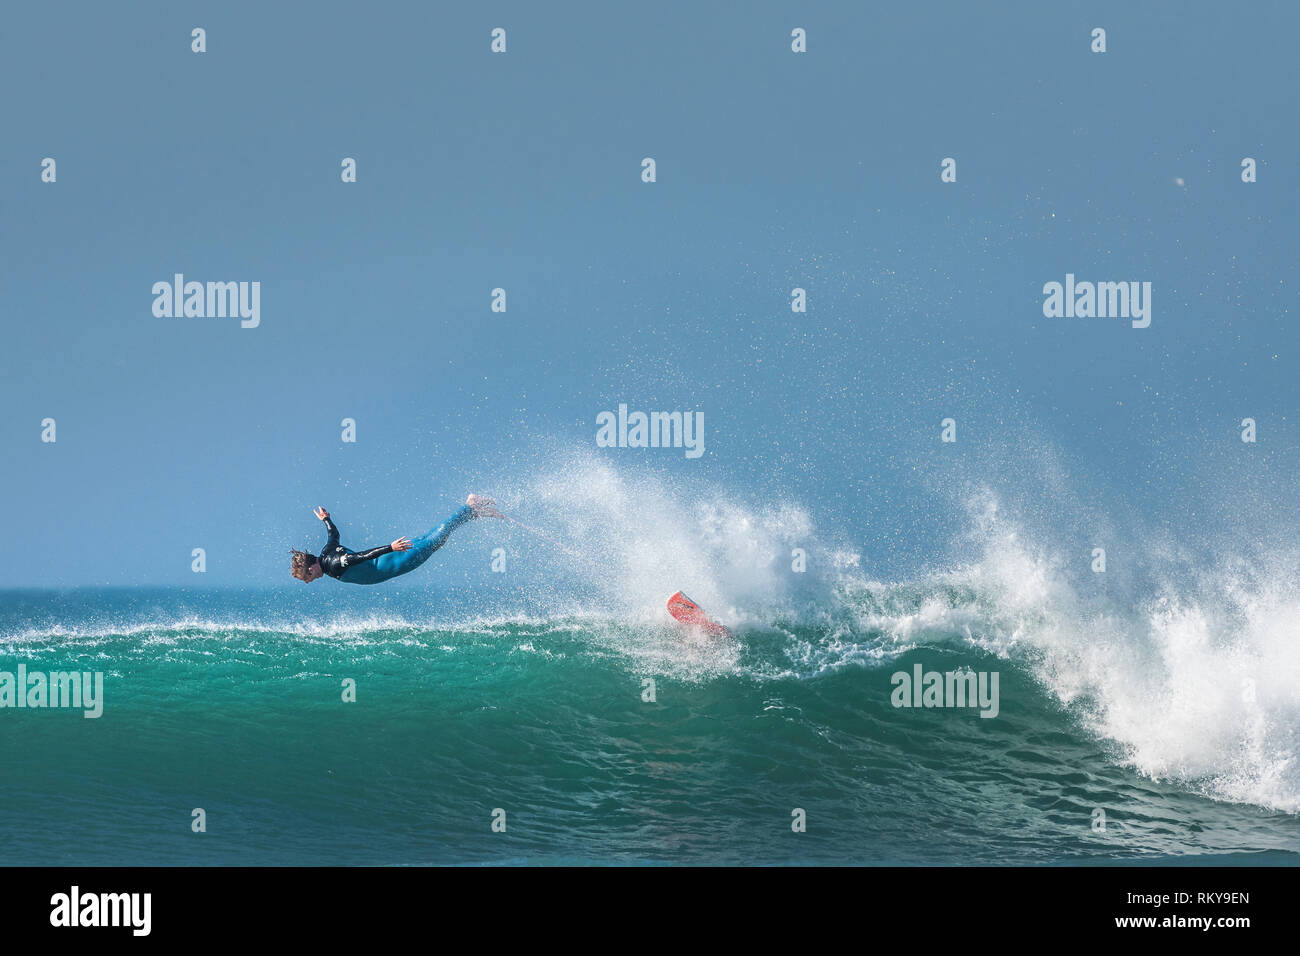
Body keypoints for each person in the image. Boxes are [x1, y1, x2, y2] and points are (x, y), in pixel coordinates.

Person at [290, 494, 501, 585]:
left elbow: (360, 557)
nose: (308, 582)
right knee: (435, 540)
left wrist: (390, 547)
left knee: (437, 539)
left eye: (305, 578)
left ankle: (470, 506)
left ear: (310, 569)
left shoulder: (333, 565)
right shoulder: (327, 552)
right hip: (395, 557)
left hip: (397, 560)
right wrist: (327, 519)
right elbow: (333, 535)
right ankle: (472, 513)